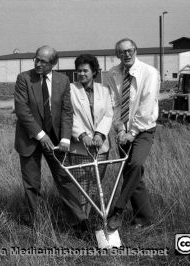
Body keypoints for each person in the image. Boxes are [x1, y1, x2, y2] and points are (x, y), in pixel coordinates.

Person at [14, 45, 86, 229]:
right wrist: (40, 135)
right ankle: (35, 224)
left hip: (56, 142)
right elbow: (22, 111)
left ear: (53, 63)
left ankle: (79, 223)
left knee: (65, 180)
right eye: (36, 59)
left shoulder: (63, 80)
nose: (38, 64)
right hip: (30, 140)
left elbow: (66, 111)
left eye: (43, 61)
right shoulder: (24, 79)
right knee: (32, 184)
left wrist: (65, 139)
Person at [104, 38, 159, 230]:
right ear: (117, 54)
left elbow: (146, 105)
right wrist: (119, 129)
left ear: (136, 51)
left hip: (143, 129)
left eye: (130, 50)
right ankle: (144, 219)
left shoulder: (149, 73)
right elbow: (113, 103)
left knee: (135, 165)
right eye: (122, 51)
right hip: (122, 131)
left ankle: (118, 209)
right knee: (131, 173)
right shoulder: (112, 74)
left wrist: (132, 132)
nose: (127, 54)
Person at [68, 54, 113, 232]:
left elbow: (109, 114)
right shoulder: (70, 90)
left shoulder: (104, 90)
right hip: (79, 147)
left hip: (100, 147)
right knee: (81, 186)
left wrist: (100, 134)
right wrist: (82, 135)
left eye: (85, 70)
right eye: (78, 71)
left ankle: (94, 222)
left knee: (95, 184)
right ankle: (81, 225)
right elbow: (68, 116)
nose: (81, 74)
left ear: (94, 72)